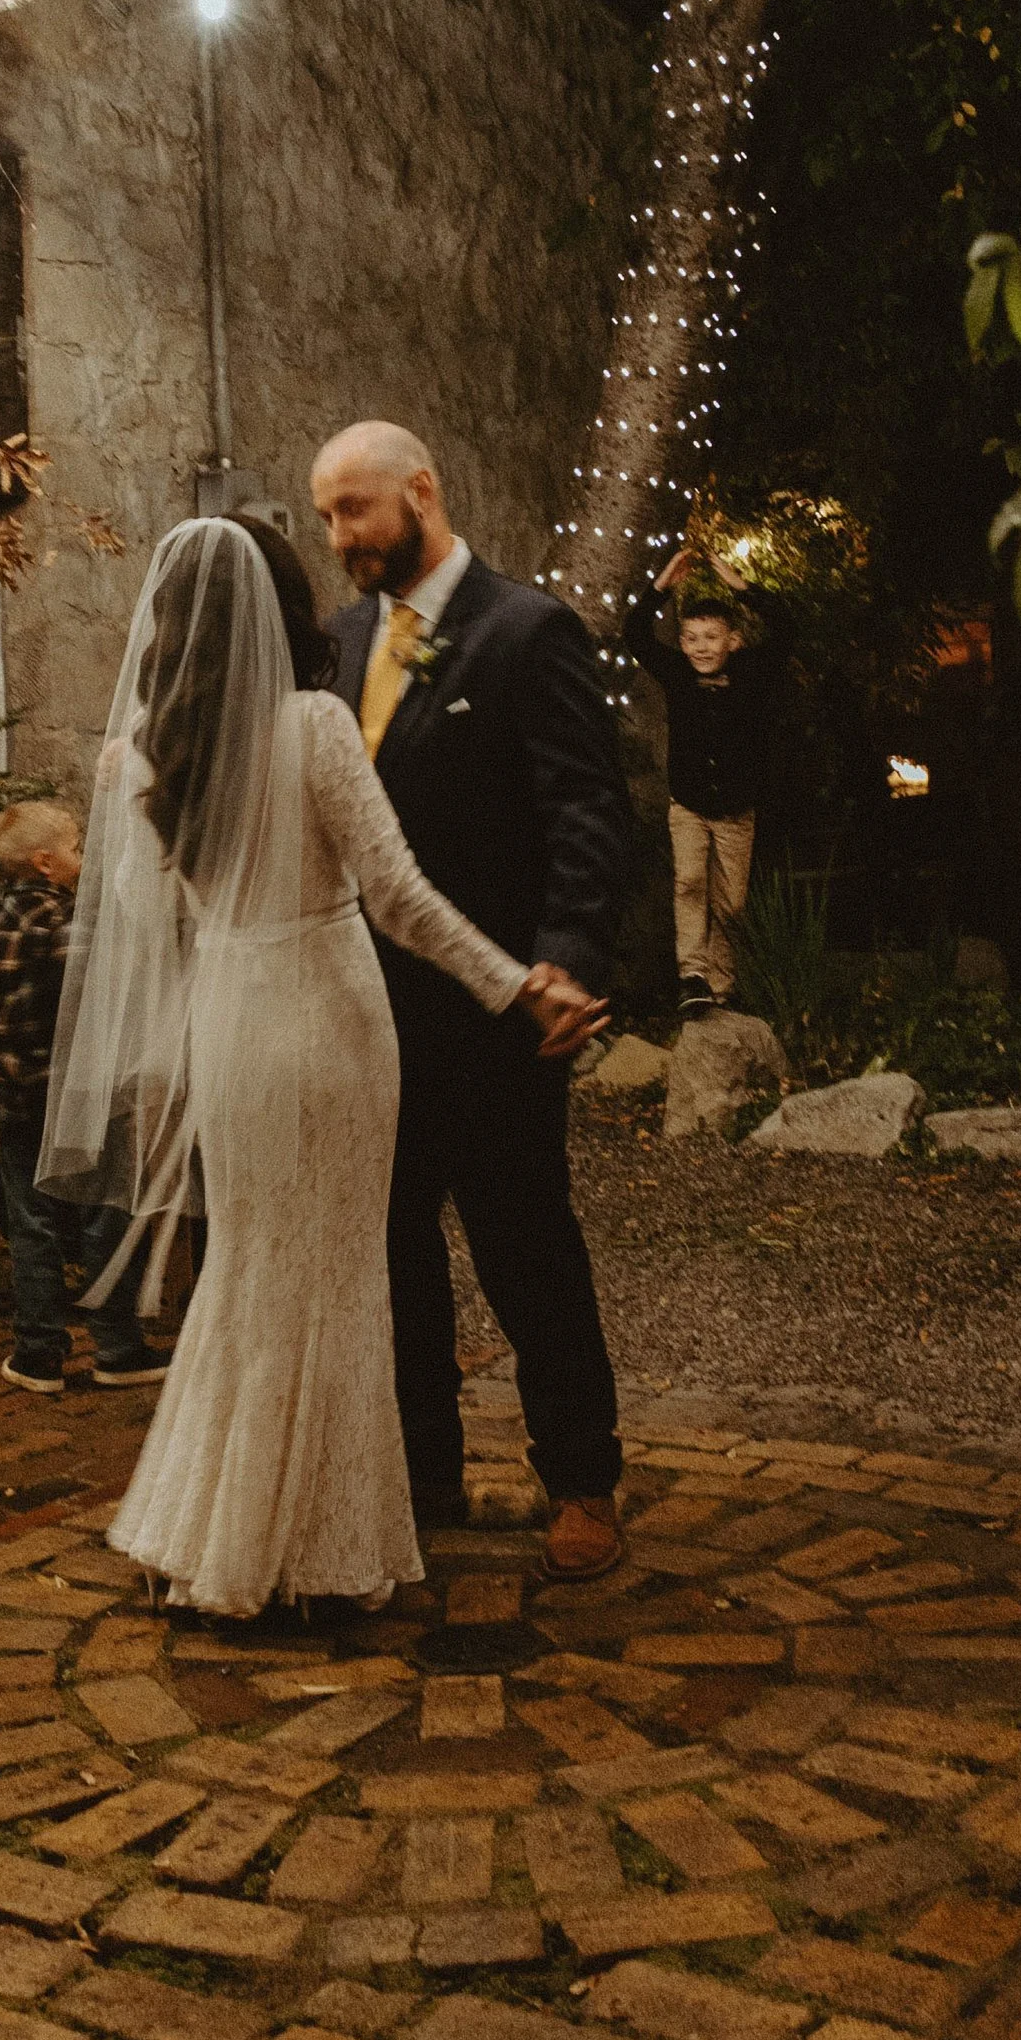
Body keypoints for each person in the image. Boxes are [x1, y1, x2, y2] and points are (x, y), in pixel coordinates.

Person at [37, 514, 598, 1620]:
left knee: (247, 1270)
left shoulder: (143, 754)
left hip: (231, 1026)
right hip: (329, 1022)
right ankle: (318, 1551)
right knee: (337, 1276)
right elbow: (396, 897)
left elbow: (154, 921)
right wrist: (510, 982)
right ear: (281, 607)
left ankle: (208, 1530)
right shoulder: (313, 724)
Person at [310, 423, 631, 1585]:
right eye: (328, 517)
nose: (339, 538)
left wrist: (568, 962)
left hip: (498, 1012)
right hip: (366, 1015)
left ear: (420, 492)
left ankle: (583, 1480)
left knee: (525, 1246)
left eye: (354, 511)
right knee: (392, 1251)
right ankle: (425, 1471)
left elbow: (586, 812)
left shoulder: (525, 630)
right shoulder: (337, 645)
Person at [0, 798, 165, 1400]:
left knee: (32, 1226)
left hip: (16, 1107)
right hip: (81, 1107)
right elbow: (98, 1007)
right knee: (105, 1216)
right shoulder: (73, 928)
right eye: (77, 847)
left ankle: (37, 1356)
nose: (84, 856)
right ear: (47, 863)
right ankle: (116, 1348)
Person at [629, 545, 782, 1014]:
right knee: (690, 884)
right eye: (691, 638)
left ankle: (722, 984)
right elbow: (635, 635)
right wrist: (662, 586)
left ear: (732, 641)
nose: (700, 647)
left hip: (737, 810)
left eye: (710, 638)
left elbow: (787, 631)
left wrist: (743, 587)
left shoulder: (750, 672)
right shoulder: (676, 672)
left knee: (731, 903)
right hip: (689, 804)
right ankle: (692, 976)